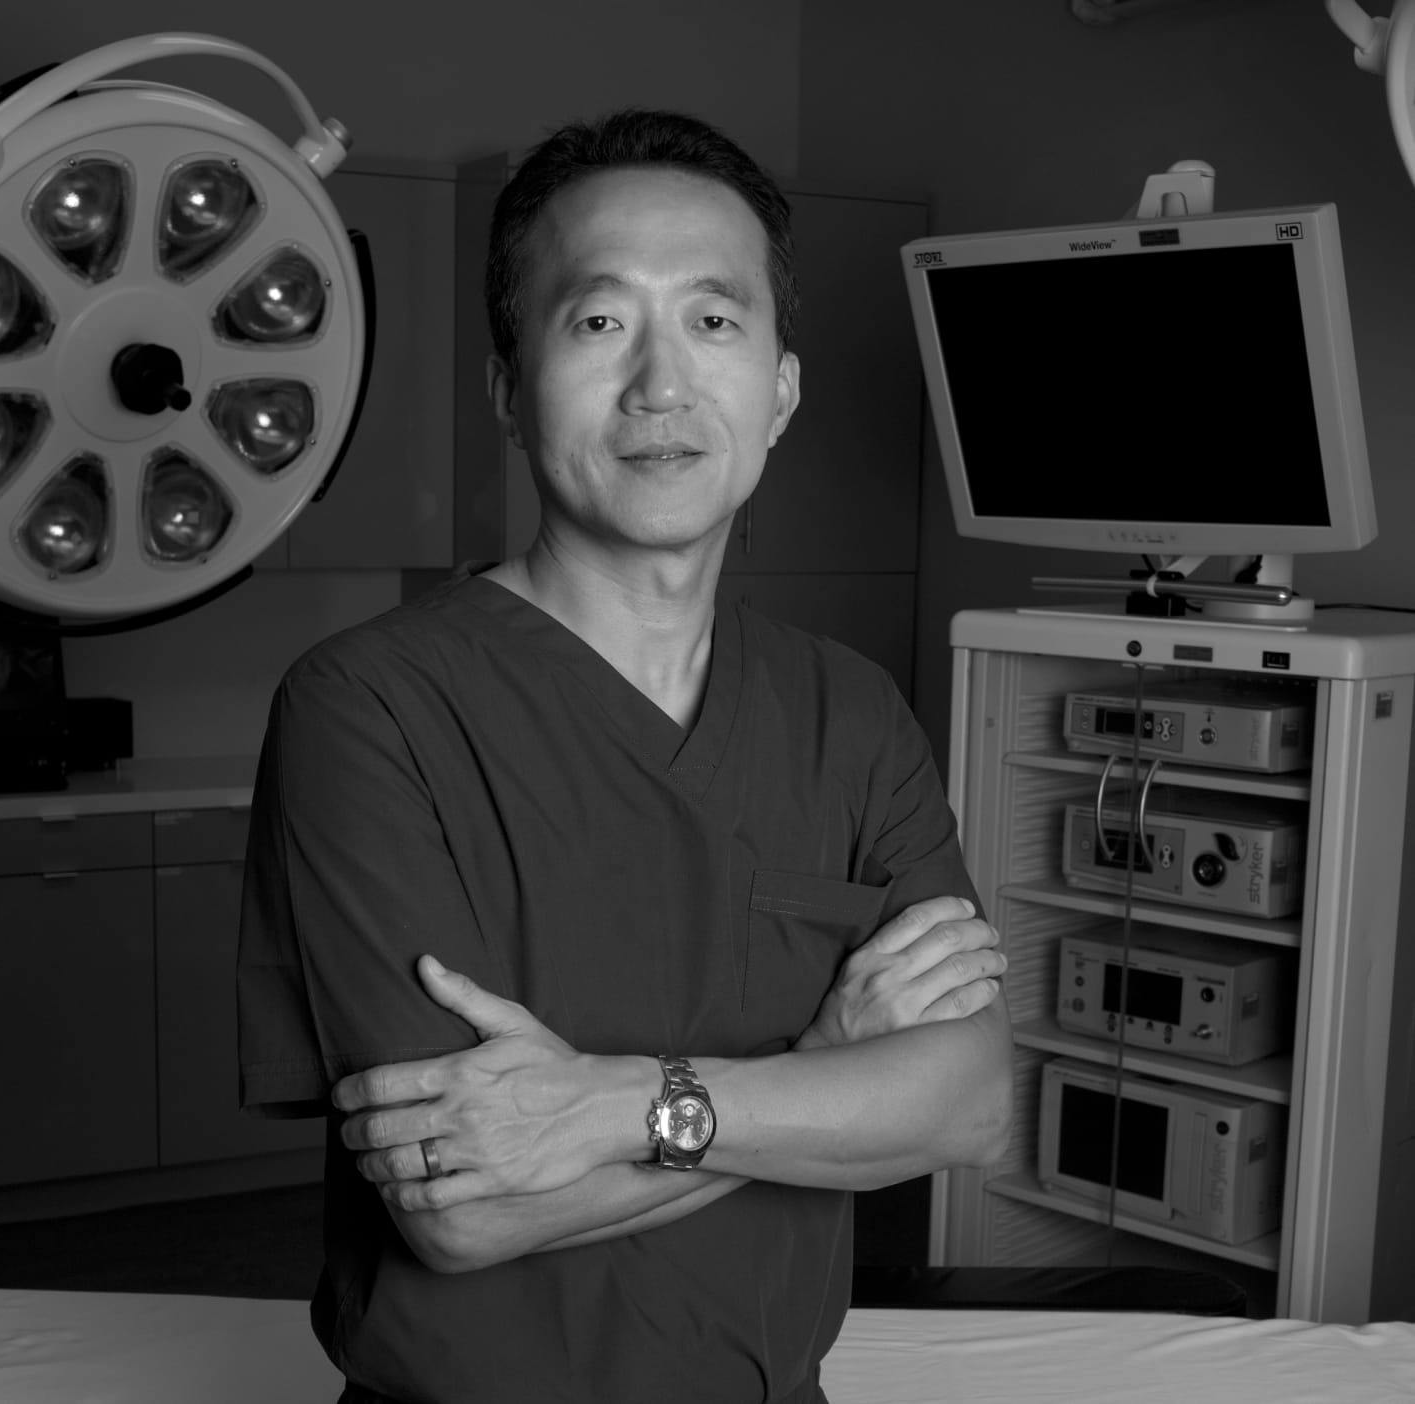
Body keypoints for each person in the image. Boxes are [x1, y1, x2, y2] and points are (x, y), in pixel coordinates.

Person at [238, 108, 1013, 1404]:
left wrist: (612, 1110)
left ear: (780, 388)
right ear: (506, 384)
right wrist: (826, 1078)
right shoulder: (368, 708)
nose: (661, 385)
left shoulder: (850, 713)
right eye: (599, 323)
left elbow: (970, 1102)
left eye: (714, 322)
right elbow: (459, 1210)